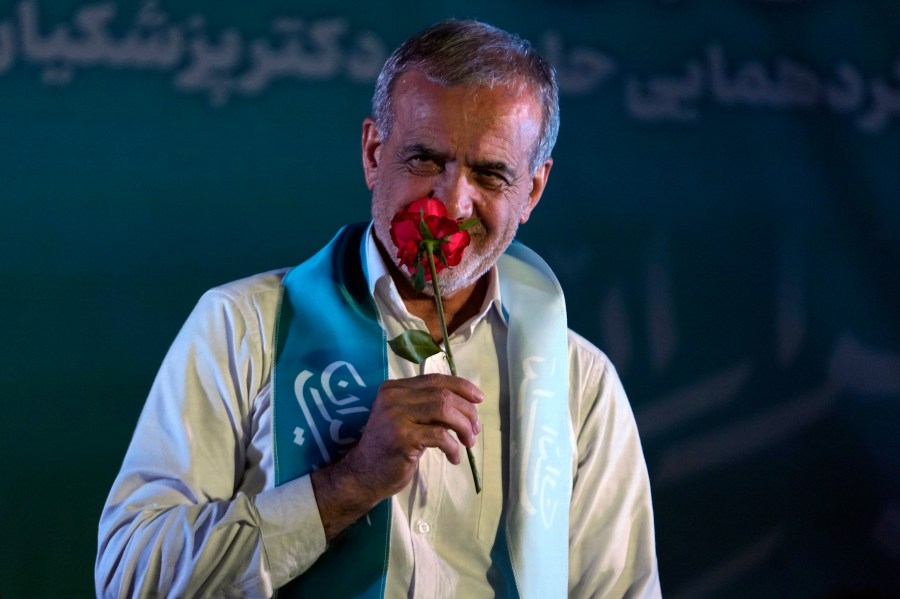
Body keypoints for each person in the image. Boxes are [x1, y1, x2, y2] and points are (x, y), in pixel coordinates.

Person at [96, 19, 661, 598]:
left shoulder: (577, 383)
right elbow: (128, 578)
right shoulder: (243, 327)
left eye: (490, 174)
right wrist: (345, 485)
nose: (452, 202)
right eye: (425, 160)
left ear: (533, 191)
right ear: (373, 153)